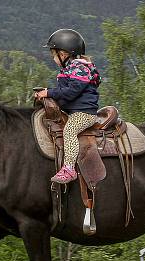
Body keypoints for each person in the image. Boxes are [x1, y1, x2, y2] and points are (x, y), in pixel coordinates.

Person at [34, 29, 101, 183]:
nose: (53, 58)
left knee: (69, 130)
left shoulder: (79, 68)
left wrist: (49, 93)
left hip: (84, 113)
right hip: (73, 110)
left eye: (54, 55)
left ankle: (69, 168)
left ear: (63, 54)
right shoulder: (70, 68)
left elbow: (70, 92)